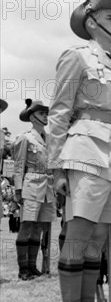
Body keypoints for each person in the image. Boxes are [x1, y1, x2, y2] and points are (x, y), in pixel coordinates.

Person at [48, 0, 111, 302]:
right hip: (84, 150)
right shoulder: (76, 56)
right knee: (78, 238)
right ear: (91, 19)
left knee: (98, 242)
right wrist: (56, 167)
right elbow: (59, 111)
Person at [13, 99, 55, 280]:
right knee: (26, 225)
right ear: (32, 117)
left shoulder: (50, 138)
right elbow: (18, 165)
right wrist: (18, 189)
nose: (45, 116)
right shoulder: (25, 138)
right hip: (30, 183)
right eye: (41, 113)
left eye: (46, 113)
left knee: (39, 227)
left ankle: (33, 266)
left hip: (47, 185)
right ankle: (23, 269)